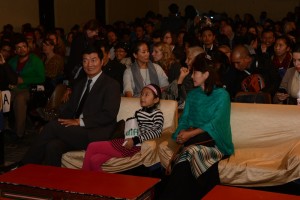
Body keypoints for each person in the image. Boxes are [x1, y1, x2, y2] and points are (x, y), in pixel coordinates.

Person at [17, 45, 121, 167]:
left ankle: (23, 166)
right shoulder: (79, 83)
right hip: (76, 133)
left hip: (96, 133)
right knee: (53, 146)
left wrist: (79, 122)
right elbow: (69, 109)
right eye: (85, 60)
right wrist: (58, 118)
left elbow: (109, 115)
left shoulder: (111, 84)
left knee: (52, 127)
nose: (89, 64)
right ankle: (52, 183)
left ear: (102, 62)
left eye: (93, 60)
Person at [159, 53, 234, 200]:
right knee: (188, 154)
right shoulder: (193, 95)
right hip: (194, 141)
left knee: (189, 152)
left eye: (195, 73)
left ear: (206, 74)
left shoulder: (222, 95)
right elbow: (185, 119)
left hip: (215, 142)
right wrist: (180, 133)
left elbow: (216, 123)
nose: (192, 76)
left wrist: (190, 135)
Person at [82, 84, 164, 171]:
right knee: (94, 160)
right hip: (128, 141)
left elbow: (157, 132)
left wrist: (135, 140)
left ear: (156, 99)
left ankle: (83, 179)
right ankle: (102, 183)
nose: (142, 97)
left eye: (146, 95)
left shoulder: (157, 114)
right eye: (142, 94)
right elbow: (132, 129)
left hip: (137, 146)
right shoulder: (138, 112)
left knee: (92, 146)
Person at [8, 35, 45, 139]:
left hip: (29, 89)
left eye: (24, 46)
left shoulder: (35, 60)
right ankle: (5, 126)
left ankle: (19, 133)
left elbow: (42, 78)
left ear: (28, 48)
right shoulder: (12, 61)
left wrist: (24, 80)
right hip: (14, 88)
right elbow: (7, 74)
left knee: (20, 99)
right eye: (18, 47)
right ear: (15, 51)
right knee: (3, 97)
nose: (22, 49)